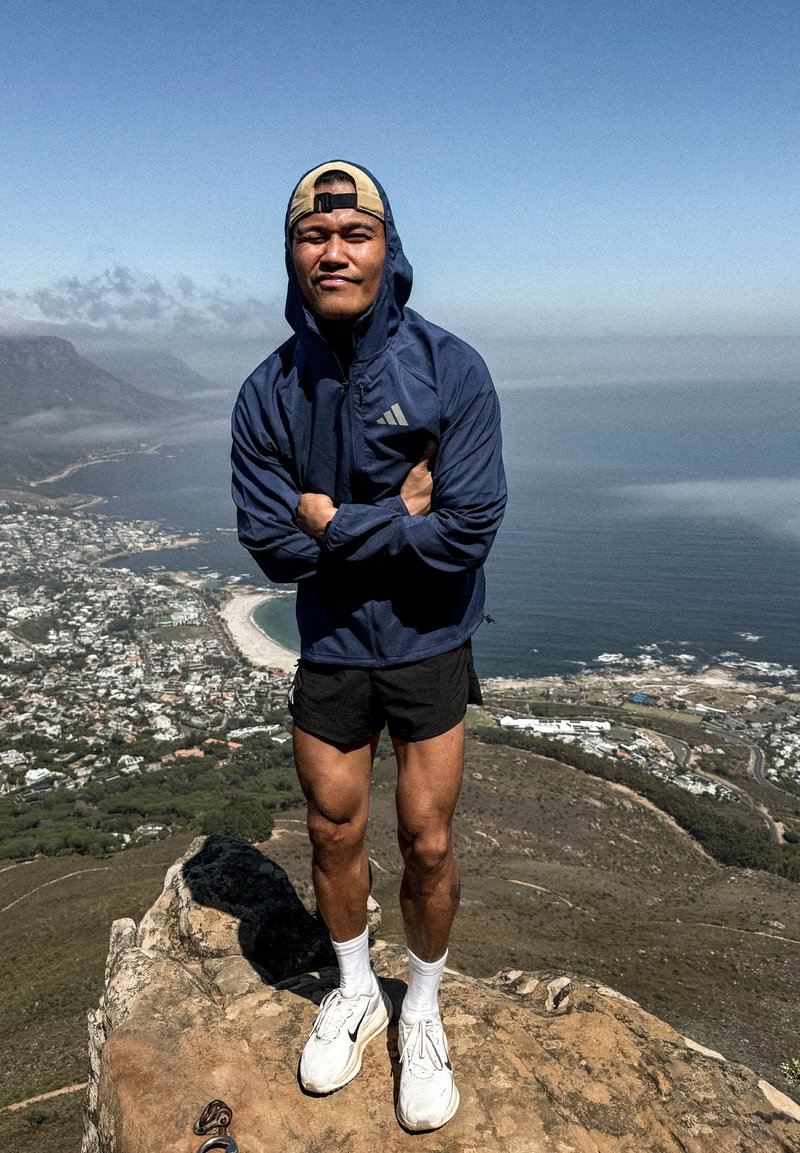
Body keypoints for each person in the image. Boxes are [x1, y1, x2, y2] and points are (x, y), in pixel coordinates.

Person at [231, 160, 506, 1132]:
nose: (334, 250)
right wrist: (396, 514)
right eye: (314, 236)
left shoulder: (451, 368)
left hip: (430, 640)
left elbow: (468, 528)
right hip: (332, 646)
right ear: (292, 253)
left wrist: (335, 526)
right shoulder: (267, 391)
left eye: (354, 235)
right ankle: (353, 988)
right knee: (331, 829)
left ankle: (419, 1008)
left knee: (426, 840)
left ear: (387, 249)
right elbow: (269, 544)